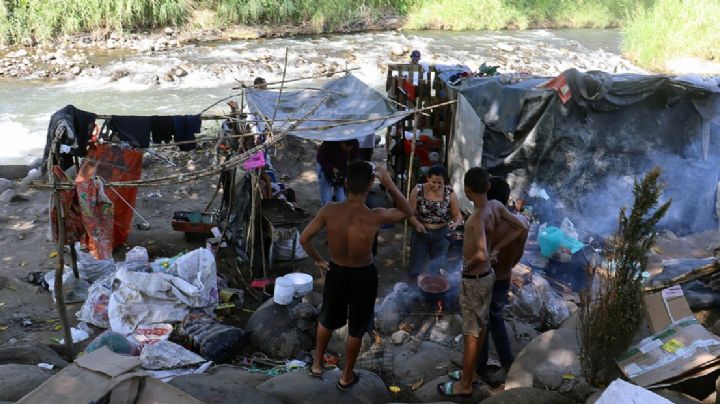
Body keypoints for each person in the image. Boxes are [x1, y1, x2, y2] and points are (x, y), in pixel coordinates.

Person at [300, 161, 413, 391]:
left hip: (336, 270)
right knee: (357, 327)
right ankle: (346, 376)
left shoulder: (329, 210)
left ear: (345, 183)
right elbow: (407, 211)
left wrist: (319, 260)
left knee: (327, 317)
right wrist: (389, 183)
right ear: (371, 185)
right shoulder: (375, 215)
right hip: (364, 275)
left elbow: (304, 238)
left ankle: (317, 364)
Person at [438, 167, 527, 398]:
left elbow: (480, 252)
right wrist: (498, 251)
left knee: (473, 331)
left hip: (478, 278)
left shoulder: (478, 219)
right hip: (496, 276)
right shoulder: (497, 208)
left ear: (468, 191)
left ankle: (468, 382)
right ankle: (476, 370)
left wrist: (467, 266)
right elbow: (521, 229)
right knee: (486, 323)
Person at [475, 176, 529, 386]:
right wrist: (507, 266)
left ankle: (479, 366)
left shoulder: (487, 219)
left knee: (482, 322)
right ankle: (507, 361)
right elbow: (518, 256)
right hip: (504, 276)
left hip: (485, 277)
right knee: (496, 319)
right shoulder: (521, 224)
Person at [407, 165, 463, 280]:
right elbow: (409, 214)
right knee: (415, 267)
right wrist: (416, 224)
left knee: (436, 267)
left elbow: (458, 215)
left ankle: (432, 292)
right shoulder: (418, 190)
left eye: (440, 183)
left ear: (444, 182)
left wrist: (456, 223)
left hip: (442, 235)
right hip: (421, 234)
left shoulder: (449, 192)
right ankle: (411, 290)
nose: (436, 186)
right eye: (433, 182)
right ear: (427, 178)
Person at [316, 139, 359, 205]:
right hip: (325, 168)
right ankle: (327, 213)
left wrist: (349, 171)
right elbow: (320, 158)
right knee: (326, 198)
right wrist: (331, 168)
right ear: (341, 142)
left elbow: (354, 159)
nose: (349, 148)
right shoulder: (329, 143)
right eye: (347, 146)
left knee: (341, 198)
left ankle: (341, 213)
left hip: (341, 169)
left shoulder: (354, 143)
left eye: (351, 146)